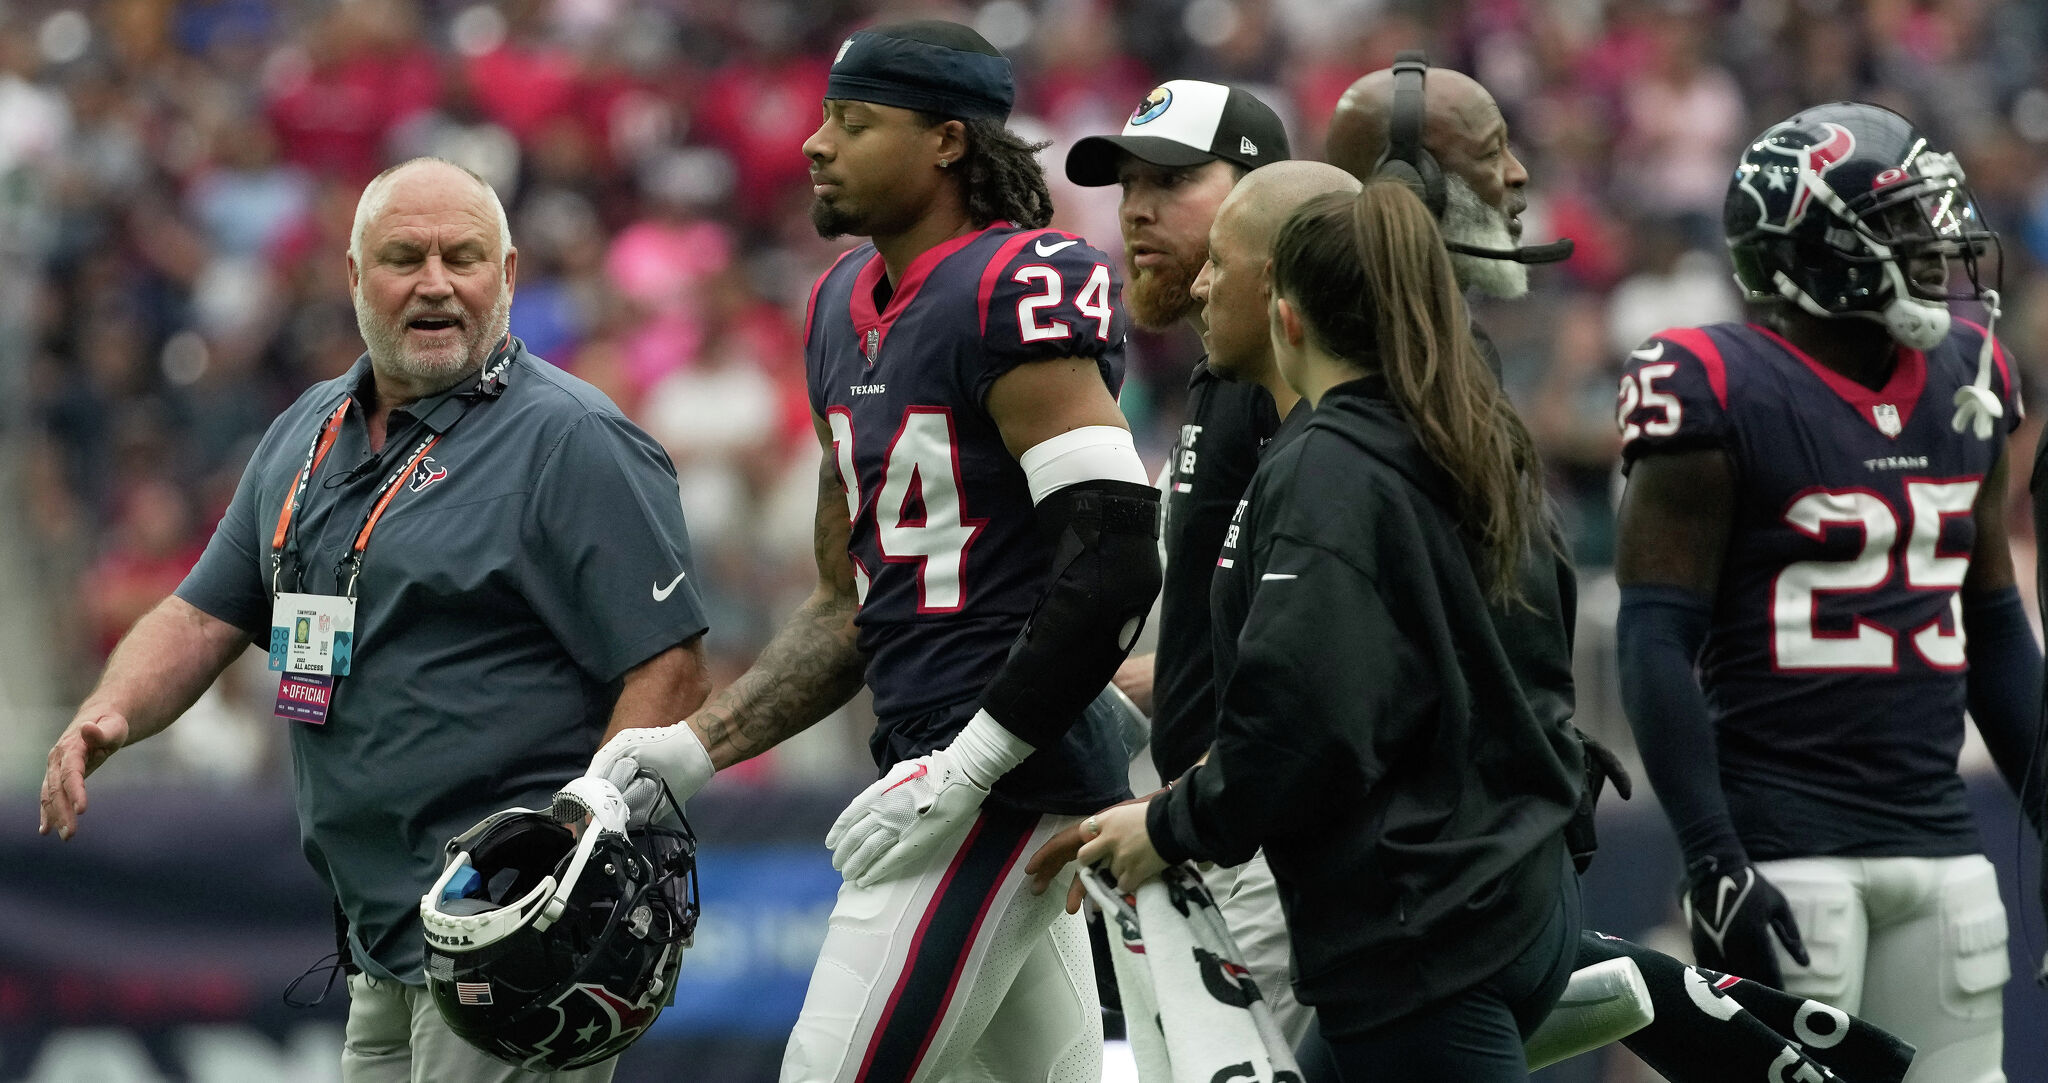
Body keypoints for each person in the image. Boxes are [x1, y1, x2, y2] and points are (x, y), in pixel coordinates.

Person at [38, 157, 713, 1083]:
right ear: (354, 278)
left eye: (462, 257)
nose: (436, 282)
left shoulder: (573, 438)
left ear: (507, 276)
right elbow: (203, 613)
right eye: (405, 257)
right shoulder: (304, 432)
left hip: (506, 941)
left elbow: (671, 664)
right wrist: (106, 711)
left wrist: (575, 840)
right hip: (379, 947)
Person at [581, 21, 1160, 1082]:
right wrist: (698, 748)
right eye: (820, 116)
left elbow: (1117, 554)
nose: (814, 143)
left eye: (852, 122)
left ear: (946, 142)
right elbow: (848, 603)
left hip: (1000, 771)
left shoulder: (1012, 287)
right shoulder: (837, 307)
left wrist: (974, 760)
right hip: (934, 760)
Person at [1078, 177, 1585, 1082]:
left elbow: (1307, 723)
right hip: (1514, 901)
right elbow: (1537, 673)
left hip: (1420, 937)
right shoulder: (1470, 436)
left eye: (1221, 268)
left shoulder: (1324, 467)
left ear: (1288, 308)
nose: (1198, 286)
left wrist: (1169, 824)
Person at [1615, 102, 2042, 1082]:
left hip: (1937, 841)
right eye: (1898, 223)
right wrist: (1710, 854)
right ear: (1810, 250)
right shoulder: (1712, 379)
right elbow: (1652, 634)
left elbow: (1991, 623)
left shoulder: (1970, 376)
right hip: (1781, 848)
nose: (1936, 244)